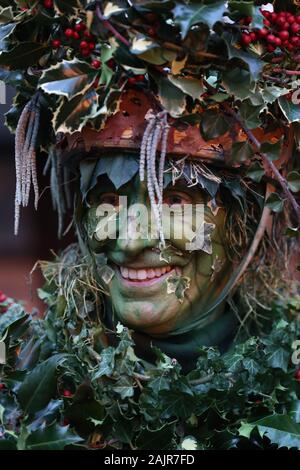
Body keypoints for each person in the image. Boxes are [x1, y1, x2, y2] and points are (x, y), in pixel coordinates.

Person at [0, 0, 299, 451]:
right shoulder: (24, 383)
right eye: (106, 199)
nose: (131, 239)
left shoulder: (289, 384)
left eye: (176, 200)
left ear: (245, 220)